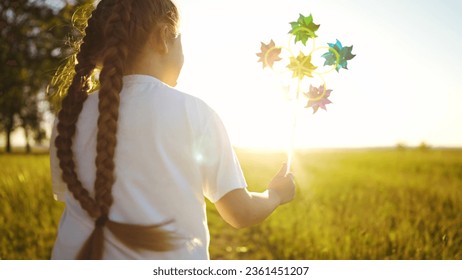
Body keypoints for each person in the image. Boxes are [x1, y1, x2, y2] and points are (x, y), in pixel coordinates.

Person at [49, 0, 295, 260]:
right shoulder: (195, 113)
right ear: (164, 37)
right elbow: (240, 213)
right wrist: (275, 194)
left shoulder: (68, 117)